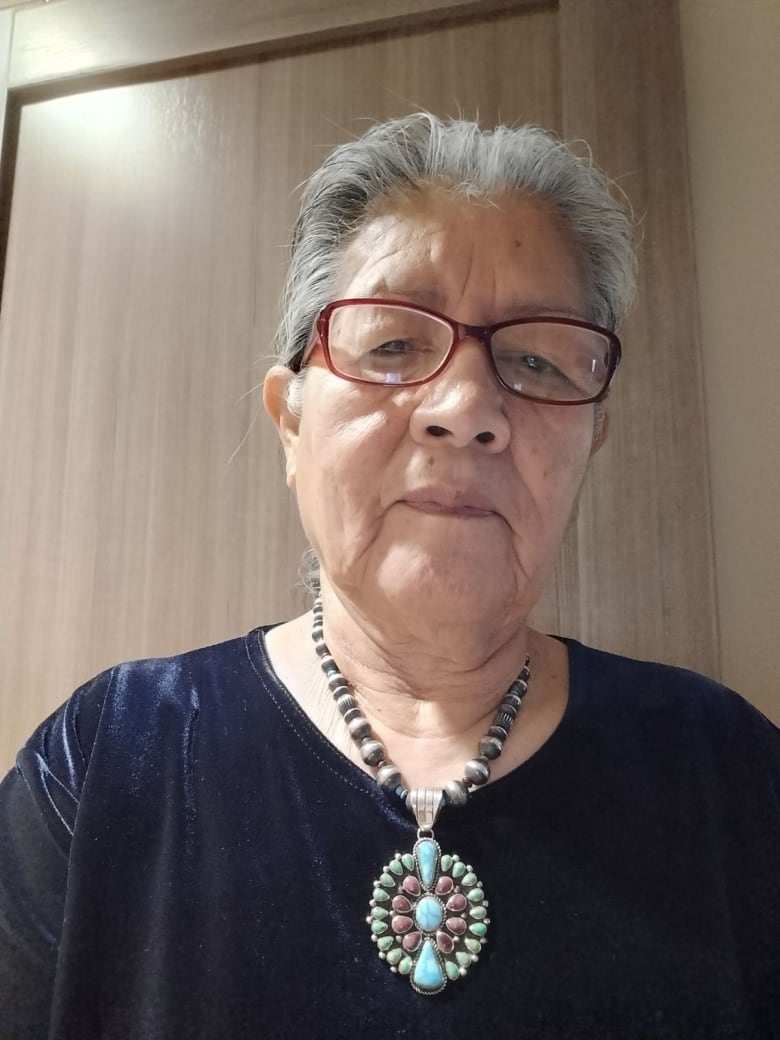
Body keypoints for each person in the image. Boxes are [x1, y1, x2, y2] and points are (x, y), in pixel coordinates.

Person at [1, 113, 778, 1040]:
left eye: (536, 359)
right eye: (394, 344)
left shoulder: (730, 772)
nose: (466, 409)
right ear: (290, 420)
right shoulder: (105, 762)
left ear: (590, 443)